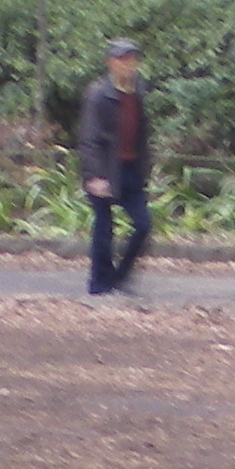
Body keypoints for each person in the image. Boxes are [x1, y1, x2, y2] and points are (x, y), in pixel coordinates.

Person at [74, 38, 153, 296]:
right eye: (122, 60)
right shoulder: (98, 94)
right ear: (110, 63)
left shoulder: (138, 91)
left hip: (130, 169)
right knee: (104, 227)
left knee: (143, 224)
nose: (128, 65)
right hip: (105, 168)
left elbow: (142, 133)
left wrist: (145, 167)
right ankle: (99, 284)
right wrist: (94, 175)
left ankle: (120, 278)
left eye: (131, 60)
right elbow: (88, 138)